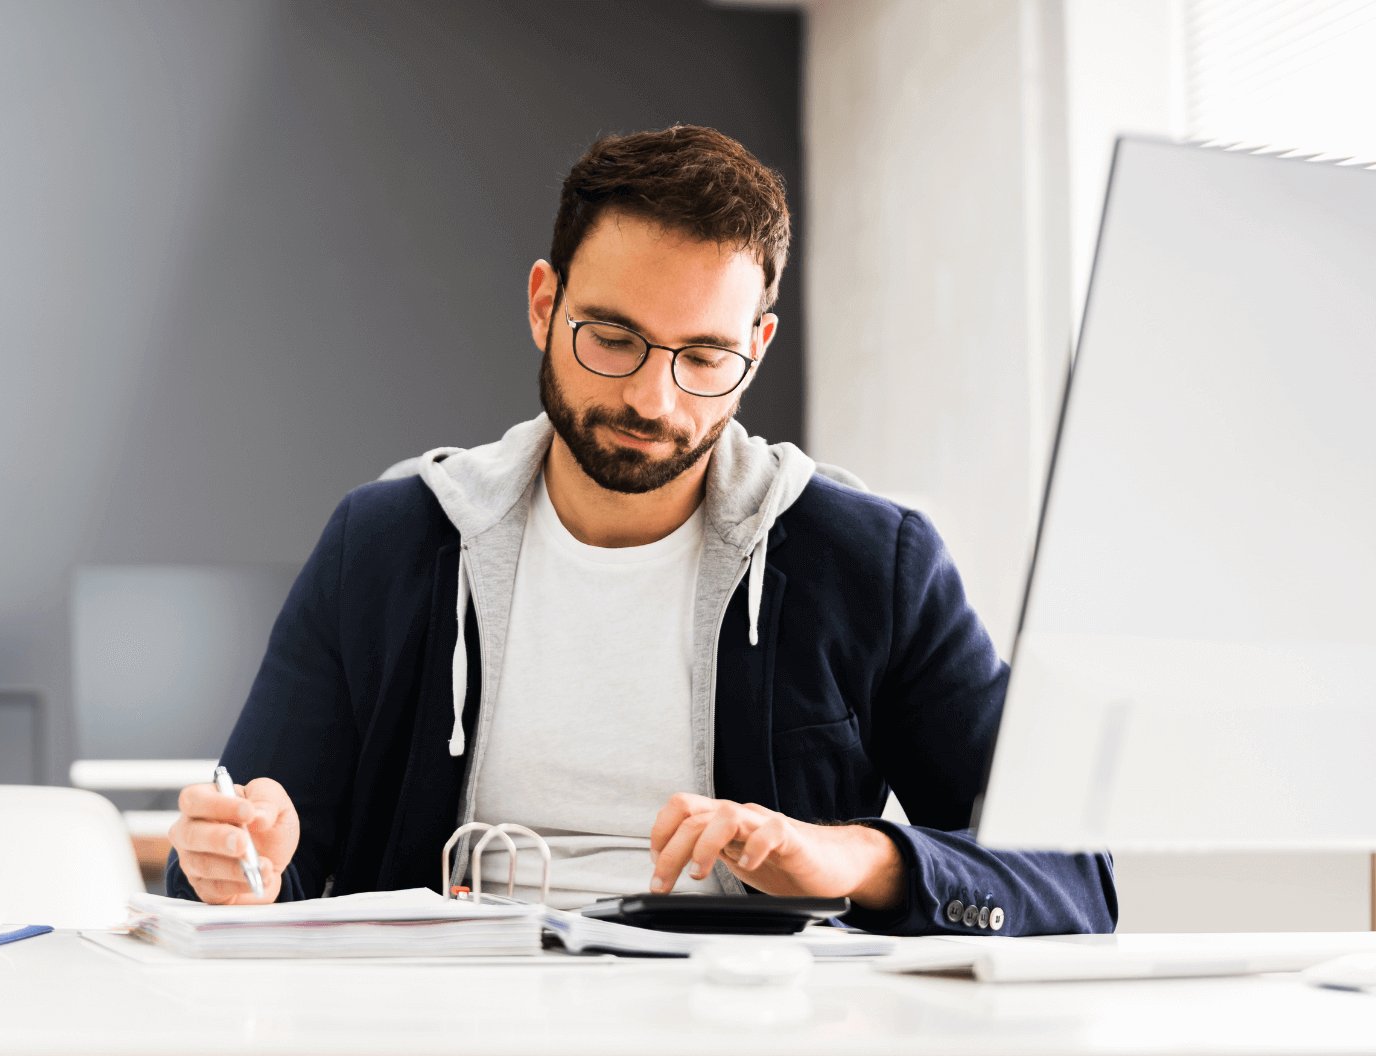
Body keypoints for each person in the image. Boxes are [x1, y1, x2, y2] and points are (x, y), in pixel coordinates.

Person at [166, 124, 1116, 935]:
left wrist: (847, 858)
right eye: (612, 338)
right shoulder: (384, 545)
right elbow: (231, 872)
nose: (651, 399)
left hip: (751, 1040)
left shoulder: (873, 561)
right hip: (442, 1028)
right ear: (545, 304)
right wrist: (232, 864)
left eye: (704, 355)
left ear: (756, 350)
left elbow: (1077, 878)